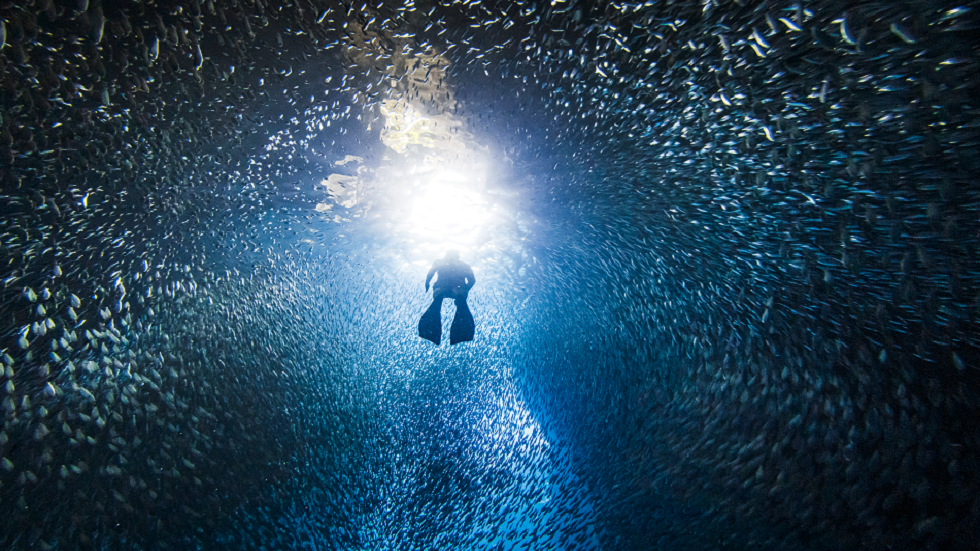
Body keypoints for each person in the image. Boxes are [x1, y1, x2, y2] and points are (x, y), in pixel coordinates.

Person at [418, 250, 476, 345]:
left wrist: (427, 284)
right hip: (458, 290)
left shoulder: (439, 262)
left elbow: (430, 273)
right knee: (461, 305)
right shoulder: (465, 265)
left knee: (436, 302)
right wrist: (465, 290)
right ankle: (461, 334)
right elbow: (472, 280)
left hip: (441, 289)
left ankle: (430, 332)